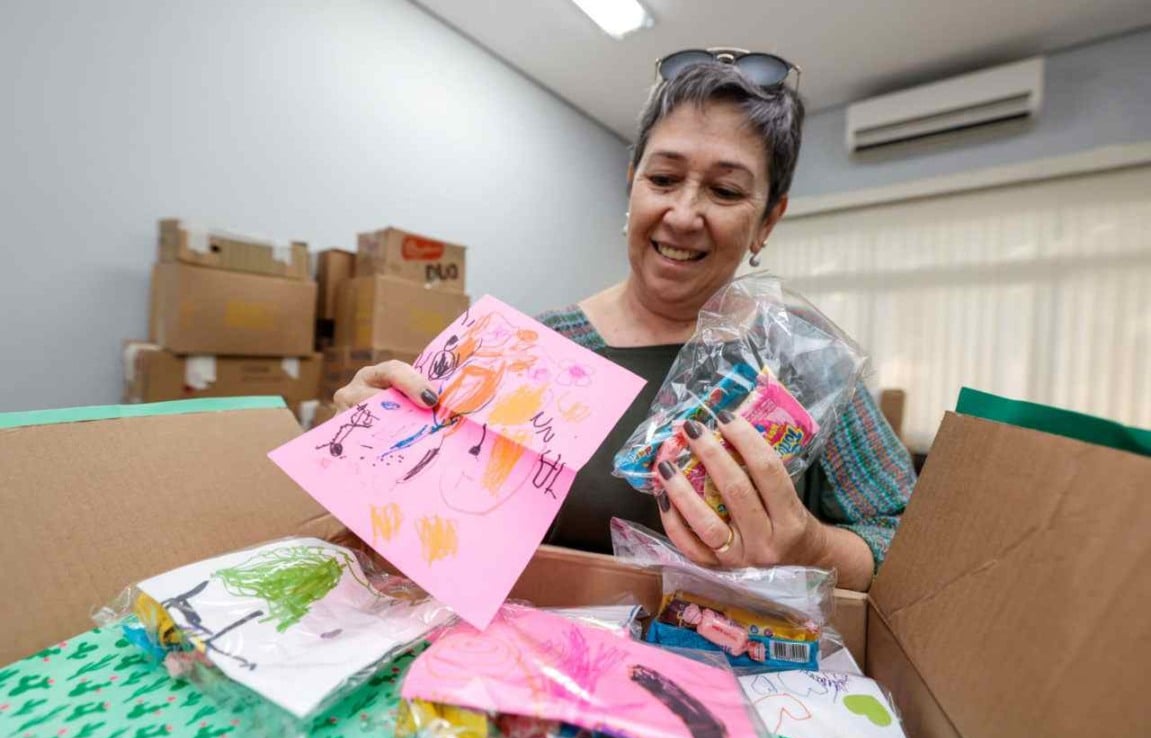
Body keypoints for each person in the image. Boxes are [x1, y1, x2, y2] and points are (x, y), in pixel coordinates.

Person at [335, 49, 916, 591]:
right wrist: (373, 444)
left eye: (724, 190)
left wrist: (811, 547)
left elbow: (909, 543)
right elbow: (434, 527)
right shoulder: (538, 345)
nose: (682, 214)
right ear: (632, 183)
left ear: (767, 220)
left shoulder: (801, 358)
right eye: (662, 179)